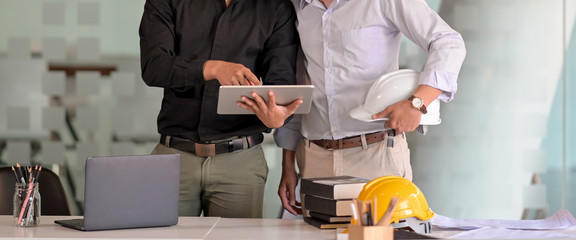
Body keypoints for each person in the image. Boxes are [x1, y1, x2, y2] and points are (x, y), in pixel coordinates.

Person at [253, 0, 466, 215]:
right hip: (314, 159)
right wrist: (288, 163)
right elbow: (300, 85)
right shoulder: (299, 7)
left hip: (376, 155)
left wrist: (417, 103)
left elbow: (448, 42)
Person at [138, 0, 301, 218]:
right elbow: (154, 66)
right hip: (173, 158)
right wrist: (212, 68)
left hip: (240, 162)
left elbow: (281, 81)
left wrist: (276, 116)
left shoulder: (276, 7)